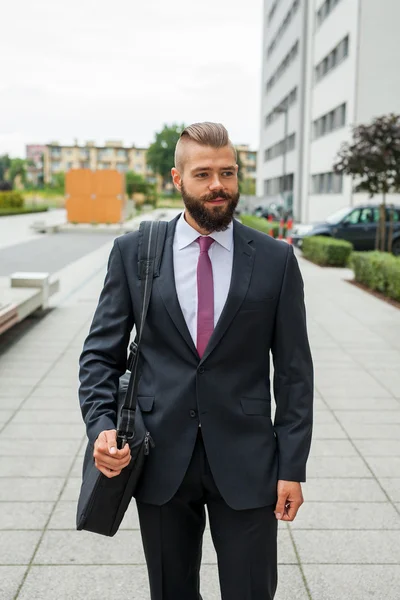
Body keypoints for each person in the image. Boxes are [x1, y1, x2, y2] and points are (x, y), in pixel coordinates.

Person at [79, 122, 313, 600]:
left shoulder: (275, 260)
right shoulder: (134, 253)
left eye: (227, 172)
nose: (217, 186)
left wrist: (293, 466)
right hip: (159, 456)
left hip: (249, 462)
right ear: (177, 179)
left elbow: (294, 374)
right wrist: (101, 427)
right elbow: (99, 356)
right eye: (203, 173)